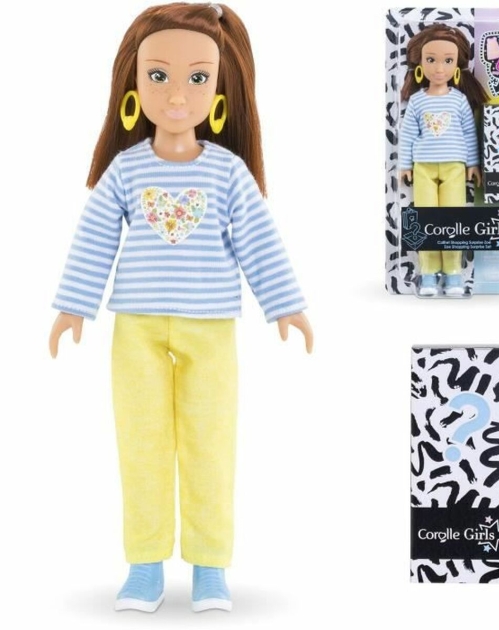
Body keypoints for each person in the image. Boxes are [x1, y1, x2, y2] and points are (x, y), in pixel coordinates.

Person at [49, 2, 313, 613]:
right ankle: (144, 565)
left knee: (209, 445)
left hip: (210, 327)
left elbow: (258, 240)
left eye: (197, 78)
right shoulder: (125, 171)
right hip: (137, 328)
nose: (175, 95)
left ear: (219, 90)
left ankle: (209, 566)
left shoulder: (227, 173)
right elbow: (94, 239)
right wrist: (74, 306)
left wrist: (284, 304)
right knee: (140, 443)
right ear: (133, 85)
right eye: (157, 75)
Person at [399, 24, 488, 296]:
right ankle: (428, 273)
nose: (439, 68)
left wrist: (473, 164)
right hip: (423, 168)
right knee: (426, 218)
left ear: (456, 66)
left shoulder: (459, 100)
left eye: (447, 61)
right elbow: (407, 134)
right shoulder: (417, 101)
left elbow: (469, 134)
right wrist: (404, 165)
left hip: (454, 168)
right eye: (431, 60)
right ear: (420, 64)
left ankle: (453, 274)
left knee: (452, 219)